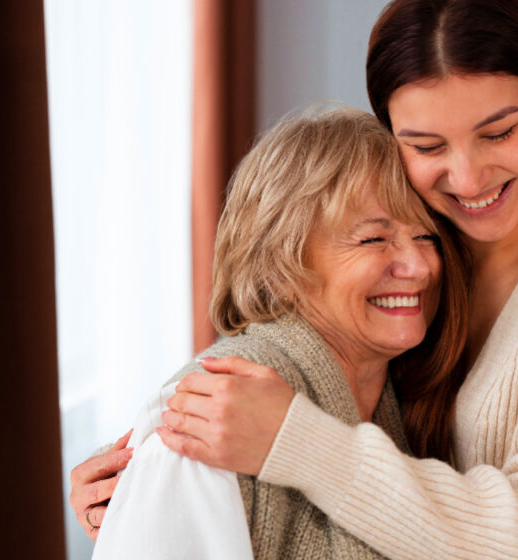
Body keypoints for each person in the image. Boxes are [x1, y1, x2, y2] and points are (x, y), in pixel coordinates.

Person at [72, 0, 518, 557]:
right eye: (426, 145)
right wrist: (143, 478)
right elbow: (295, 358)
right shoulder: (416, 236)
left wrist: (298, 443)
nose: (468, 179)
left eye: (499, 132)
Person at [79, 106, 469, 559]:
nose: (421, 266)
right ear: (279, 269)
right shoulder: (203, 423)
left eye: (426, 237)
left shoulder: (407, 403)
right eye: (373, 239)